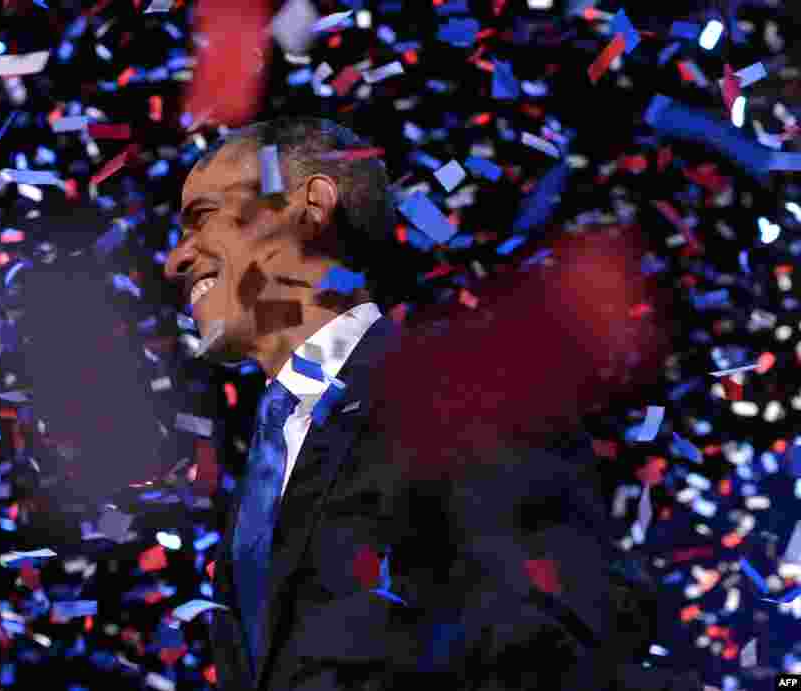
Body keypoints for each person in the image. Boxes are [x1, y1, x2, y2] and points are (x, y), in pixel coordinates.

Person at [163, 117, 702, 691]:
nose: (176, 260)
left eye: (202, 218)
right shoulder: (263, 466)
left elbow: (563, 641)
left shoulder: (465, 397)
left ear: (311, 207)